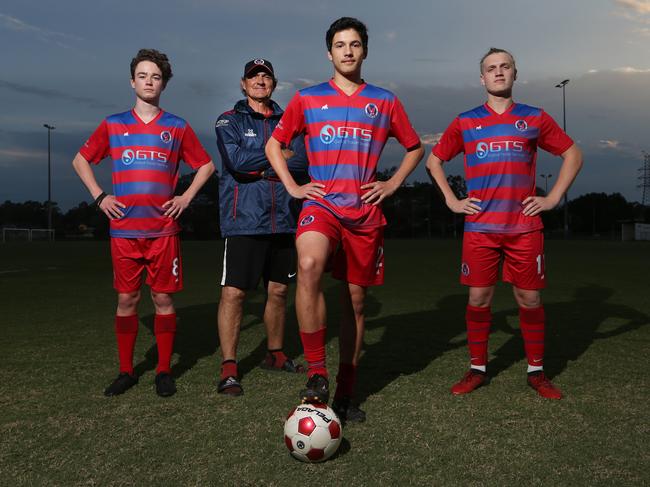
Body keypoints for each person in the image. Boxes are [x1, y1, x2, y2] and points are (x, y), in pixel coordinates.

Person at [266, 17, 424, 422]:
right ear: (329, 52)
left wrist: (391, 185)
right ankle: (317, 373)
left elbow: (414, 147)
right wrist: (294, 187)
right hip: (322, 205)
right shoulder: (308, 98)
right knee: (307, 265)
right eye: (340, 44)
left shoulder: (384, 101)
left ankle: (346, 391)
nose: (348, 51)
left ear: (364, 51)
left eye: (355, 44)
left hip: (364, 212)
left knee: (354, 301)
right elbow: (274, 145)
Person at [426, 47, 583, 399]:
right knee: (479, 299)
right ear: (482, 78)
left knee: (529, 299)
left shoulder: (534, 118)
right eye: (491, 68)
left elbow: (573, 154)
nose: (498, 73)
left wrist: (553, 197)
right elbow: (434, 161)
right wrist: (452, 200)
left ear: (515, 73)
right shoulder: (466, 121)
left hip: (524, 228)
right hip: (480, 228)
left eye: (505, 67)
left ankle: (537, 372)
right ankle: (477, 369)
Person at [72, 49, 215, 397]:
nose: (149, 81)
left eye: (155, 76)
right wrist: (100, 196)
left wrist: (184, 197)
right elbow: (80, 159)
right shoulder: (114, 124)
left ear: (164, 83)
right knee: (127, 299)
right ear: (132, 81)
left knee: (163, 300)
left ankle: (164, 370)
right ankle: (126, 371)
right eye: (143, 76)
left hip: (163, 231)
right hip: (124, 231)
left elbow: (206, 166)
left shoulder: (176, 126)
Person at [215, 59, 308, 396]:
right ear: (243, 84)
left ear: (274, 84)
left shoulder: (290, 120)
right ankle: (229, 366)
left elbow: (301, 161)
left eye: (266, 76)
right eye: (254, 77)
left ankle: (275, 353)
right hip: (244, 220)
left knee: (279, 291)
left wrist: (270, 161)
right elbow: (236, 163)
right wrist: (278, 156)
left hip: (283, 218)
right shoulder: (229, 120)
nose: (260, 81)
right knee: (235, 293)